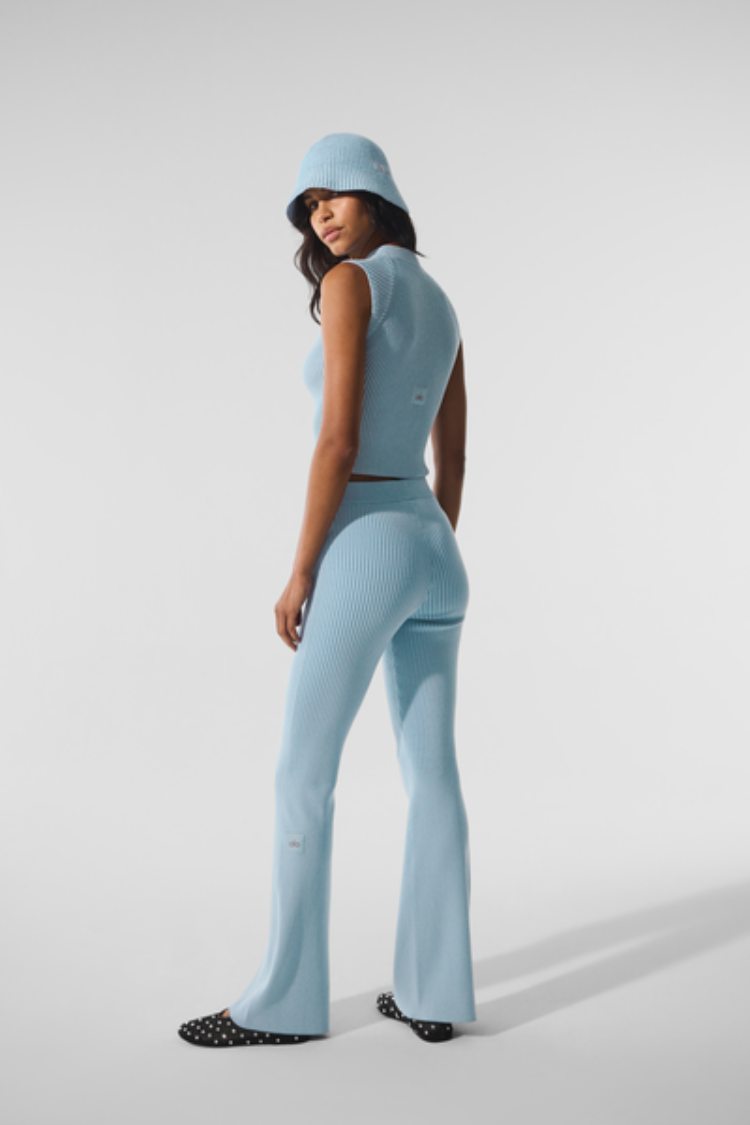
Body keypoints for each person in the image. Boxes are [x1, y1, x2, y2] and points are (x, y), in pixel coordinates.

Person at [178, 132, 477, 1048]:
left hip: (366, 539)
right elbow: (453, 451)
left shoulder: (353, 285)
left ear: (377, 193)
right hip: (433, 545)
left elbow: (338, 443)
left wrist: (306, 568)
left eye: (335, 195)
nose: (322, 216)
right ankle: (434, 991)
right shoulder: (441, 300)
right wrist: (427, 543)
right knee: (432, 775)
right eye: (309, 207)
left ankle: (284, 1003)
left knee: (303, 773)